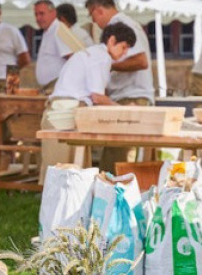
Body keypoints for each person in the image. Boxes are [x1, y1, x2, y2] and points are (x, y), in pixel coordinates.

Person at [40, 23, 137, 182]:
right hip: (65, 112)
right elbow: (97, 97)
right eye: (124, 47)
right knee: (63, 172)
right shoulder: (101, 57)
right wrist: (123, 109)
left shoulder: (92, 53)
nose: (125, 53)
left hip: (61, 109)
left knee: (68, 172)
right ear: (112, 41)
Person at [85, 0, 154, 172]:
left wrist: (109, 65)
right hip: (126, 96)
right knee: (116, 156)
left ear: (98, 10)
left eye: (92, 16)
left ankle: (114, 188)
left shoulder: (122, 25)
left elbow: (141, 61)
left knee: (118, 160)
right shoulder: (122, 24)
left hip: (132, 97)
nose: (94, 22)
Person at [33, 0, 86, 93]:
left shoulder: (59, 30)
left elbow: (73, 58)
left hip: (58, 87)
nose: (38, 18)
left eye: (41, 14)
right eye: (36, 14)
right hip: (50, 88)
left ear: (53, 13)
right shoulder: (49, 31)